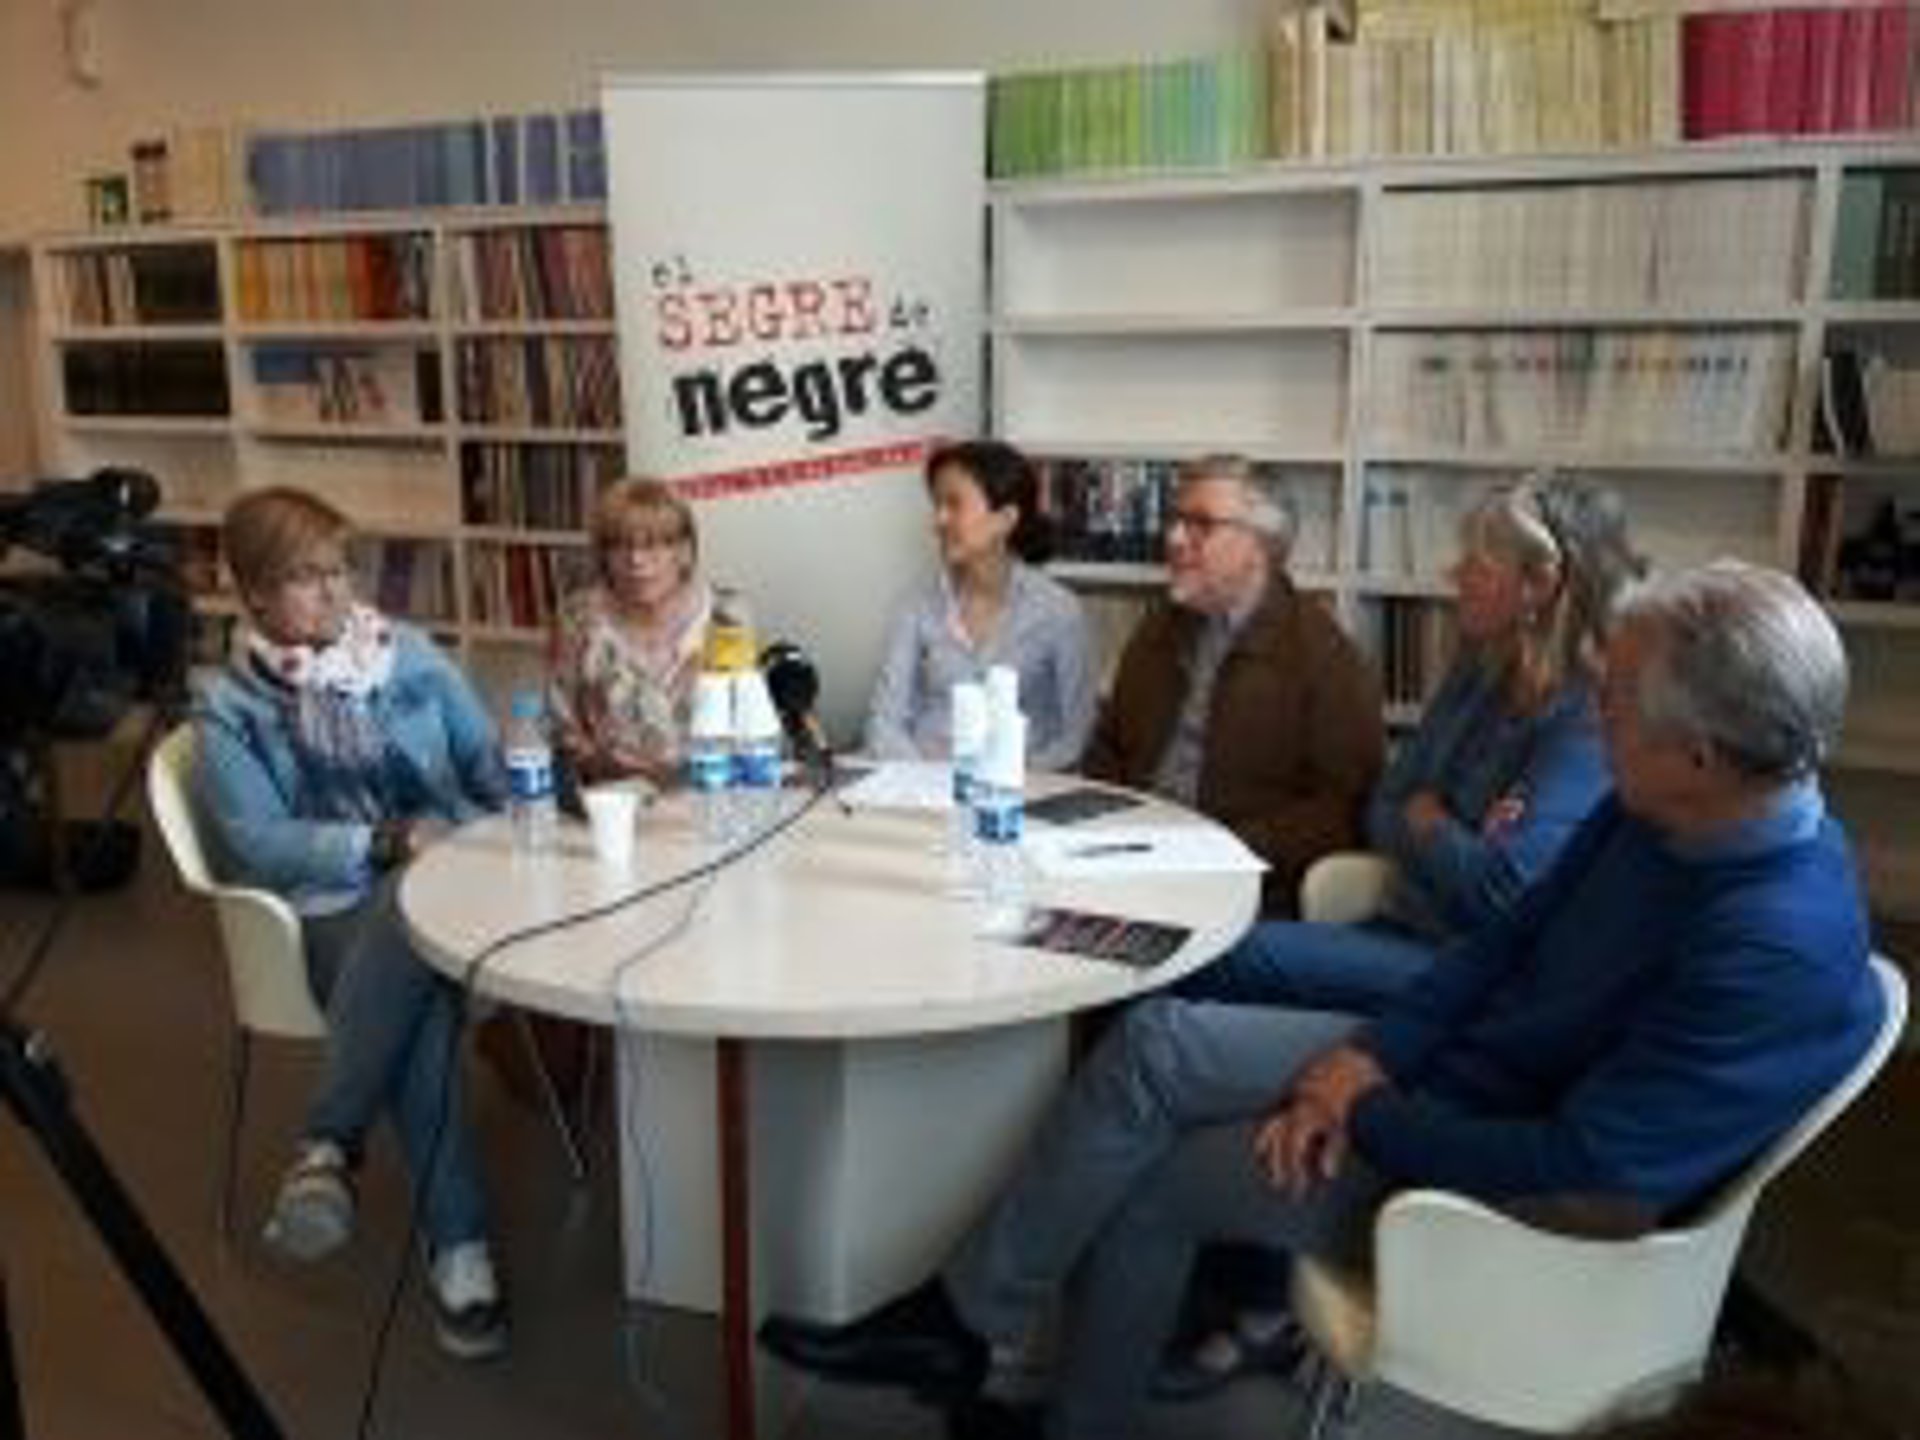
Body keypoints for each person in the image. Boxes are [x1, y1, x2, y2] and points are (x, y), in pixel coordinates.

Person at [757, 560, 1887, 1440]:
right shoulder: (1665, 807)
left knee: (1155, 1181)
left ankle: (1052, 1403)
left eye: (1619, 701)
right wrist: (1369, 1057)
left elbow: (1585, 1177)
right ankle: (967, 1324)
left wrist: (1368, 1108)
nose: (1595, 714)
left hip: (1499, 1192)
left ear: (1701, 753)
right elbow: (1504, 947)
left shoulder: (1769, 942)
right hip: (1461, 1073)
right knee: (1159, 1040)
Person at [193, 487, 508, 1360]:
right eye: (306, 578)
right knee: (423, 1011)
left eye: (339, 570)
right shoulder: (230, 707)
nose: (334, 592)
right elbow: (259, 842)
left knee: (414, 925)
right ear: (255, 594)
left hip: (457, 881)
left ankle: (327, 1145)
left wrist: (524, 778)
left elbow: (481, 758)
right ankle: (460, 1249)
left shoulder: (405, 656)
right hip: (334, 902)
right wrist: (383, 842)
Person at [1179, 474, 1643, 1012]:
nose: (1453, 574)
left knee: (1215, 956)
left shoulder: (1587, 722)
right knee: (1196, 961)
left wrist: (1432, 824)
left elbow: (1504, 897)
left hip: (1476, 969)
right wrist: (1456, 841)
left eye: (1477, 563)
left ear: (1538, 585)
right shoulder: (1480, 665)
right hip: (1403, 925)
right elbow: (1385, 805)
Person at [1079, 453, 1384, 912]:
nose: (1174, 538)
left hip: (1239, 886)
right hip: (1127, 859)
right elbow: (1110, 745)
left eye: (1201, 524)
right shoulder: (1160, 626)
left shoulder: (1323, 656)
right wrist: (1103, 831)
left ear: (1260, 545)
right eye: (1176, 520)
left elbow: (1342, 810)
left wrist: (1221, 851)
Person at [865, 440, 1096, 770]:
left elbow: (1075, 735)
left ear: (1005, 519)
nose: (938, 520)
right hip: (922, 784)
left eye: (954, 504)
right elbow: (884, 722)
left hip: (1022, 788)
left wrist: (1011, 780)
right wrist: (926, 783)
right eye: (936, 505)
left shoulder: (1059, 611)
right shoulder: (916, 607)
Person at [547, 476, 712, 789]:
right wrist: (602, 765)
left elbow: (752, 727)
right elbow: (561, 728)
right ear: (603, 557)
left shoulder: (726, 616)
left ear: (683, 551)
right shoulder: (578, 618)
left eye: (653, 545)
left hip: (711, 796)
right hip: (612, 799)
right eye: (620, 546)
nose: (636, 561)